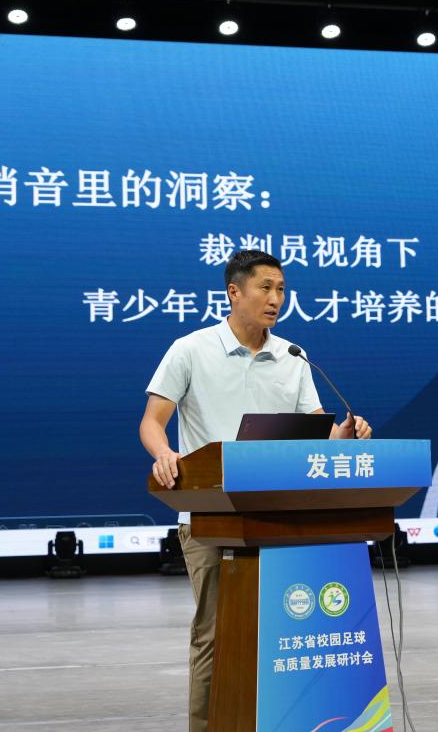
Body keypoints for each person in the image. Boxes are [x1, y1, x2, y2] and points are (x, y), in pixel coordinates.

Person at [139, 250, 372, 732]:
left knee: (285, 634)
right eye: (265, 288)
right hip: (209, 517)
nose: (276, 299)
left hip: (280, 519)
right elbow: (152, 422)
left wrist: (346, 434)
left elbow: (318, 432)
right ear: (234, 292)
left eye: (281, 289)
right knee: (216, 636)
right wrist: (164, 454)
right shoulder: (191, 349)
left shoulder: (293, 357)